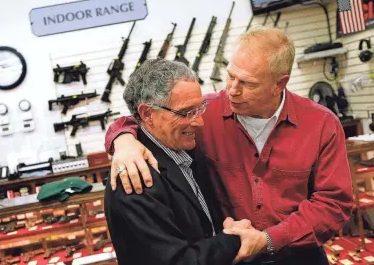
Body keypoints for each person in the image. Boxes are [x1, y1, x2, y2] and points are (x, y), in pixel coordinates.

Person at [105, 27, 353, 264]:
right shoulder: (205, 111)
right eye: (231, 76)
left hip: (299, 257)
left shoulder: (321, 124)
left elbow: (333, 205)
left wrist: (268, 240)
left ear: (280, 83)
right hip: (228, 258)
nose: (232, 90)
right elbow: (148, 117)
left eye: (248, 83)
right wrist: (123, 139)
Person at [105, 58, 252, 265]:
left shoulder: (186, 150)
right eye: (186, 112)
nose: (199, 121)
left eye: (200, 108)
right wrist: (235, 240)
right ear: (148, 114)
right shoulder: (134, 178)